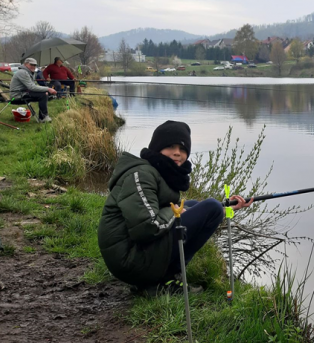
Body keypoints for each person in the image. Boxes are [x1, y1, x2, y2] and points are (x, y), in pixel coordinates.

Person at [97, 121, 253, 293]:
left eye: (183, 148)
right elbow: (145, 228)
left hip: (134, 253)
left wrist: (226, 208)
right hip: (129, 260)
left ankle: (164, 278)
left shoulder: (157, 172)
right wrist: (177, 213)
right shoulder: (141, 175)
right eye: (171, 146)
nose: (177, 153)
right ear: (157, 147)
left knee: (199, 206)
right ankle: (163, 280)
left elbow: (176, 209)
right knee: (210, 207)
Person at [9, 58, 57, 123]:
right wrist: (48, 88)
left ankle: (43, 117)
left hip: (24, 92)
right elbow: (31, 87)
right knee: (43, 94)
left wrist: (47, 90)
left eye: (35, 65)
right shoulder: (23, 72)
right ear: (25, 64)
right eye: (31, 64)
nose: (33, 66)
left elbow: (33, 86)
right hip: (17, 95)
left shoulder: (29, 72)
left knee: (44, 93)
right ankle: (43, 117)